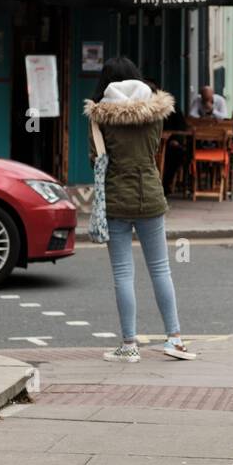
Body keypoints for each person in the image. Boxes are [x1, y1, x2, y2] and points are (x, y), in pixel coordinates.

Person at [85, 57, 194, 363]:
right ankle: (174, 338)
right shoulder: (155, 113)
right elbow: (154, 150)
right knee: (161, 269)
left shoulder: (99, 116)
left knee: (123, 274)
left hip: (116, 199)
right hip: (150, 193)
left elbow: (95, 159)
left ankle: (129, 344)